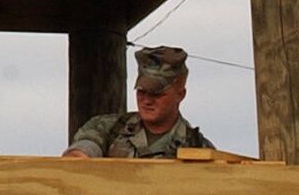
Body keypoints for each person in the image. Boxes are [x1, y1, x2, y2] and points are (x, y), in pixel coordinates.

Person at [65, 45, 215, 159]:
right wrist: (80, 156)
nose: (147, 101)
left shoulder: (199, 148)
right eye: (141, 92)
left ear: (180, 95)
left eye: (157, 94)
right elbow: (83, 150)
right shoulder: (108, 128)